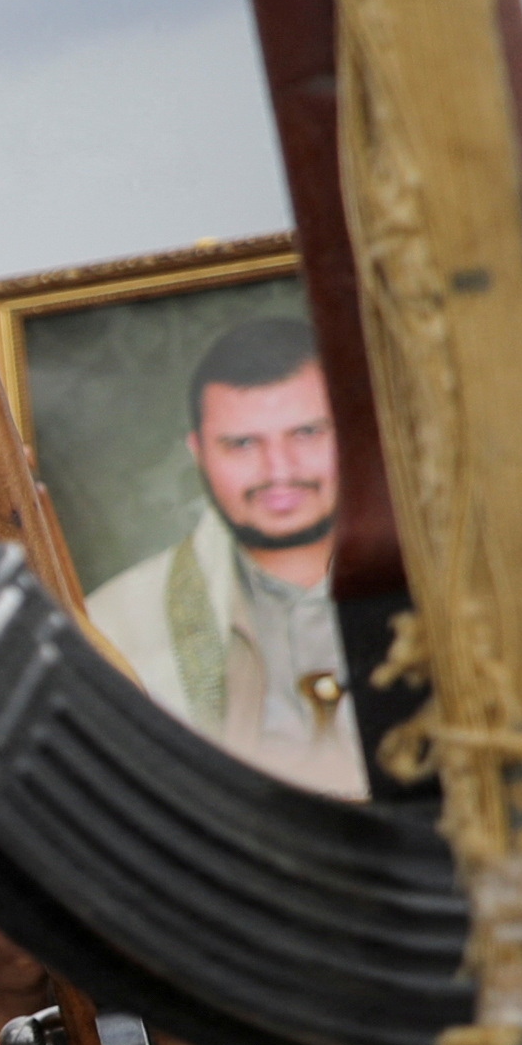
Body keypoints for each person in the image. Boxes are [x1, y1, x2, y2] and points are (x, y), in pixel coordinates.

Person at [77, 309, 358, 800]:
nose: (279, 471)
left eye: (307, 433)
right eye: (244, 443)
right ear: (198, 452)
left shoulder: (463, 583)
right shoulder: (112, 627)